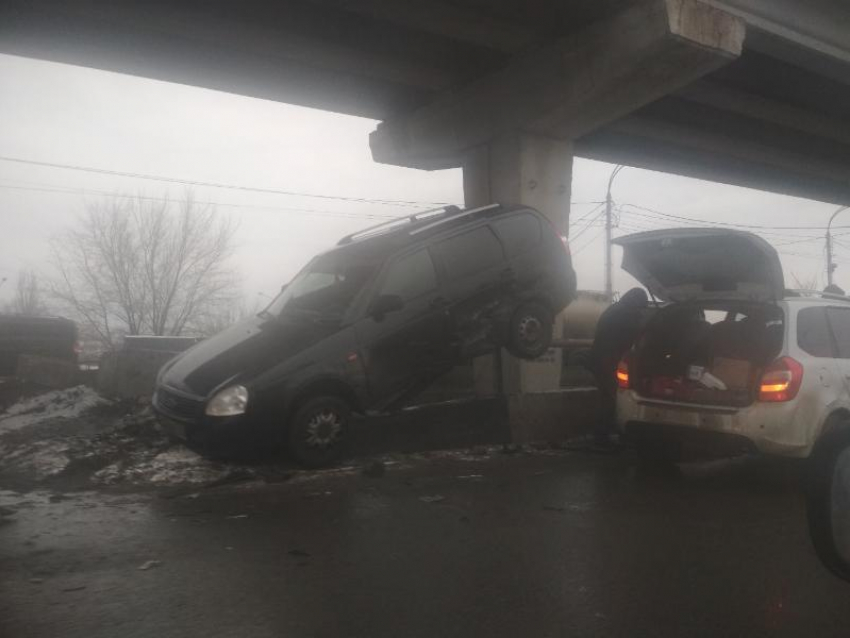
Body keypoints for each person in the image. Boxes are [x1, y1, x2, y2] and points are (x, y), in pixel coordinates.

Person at [587, 287, 648, 447]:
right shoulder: (627, 314)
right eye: (642, 306)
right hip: (608, 360)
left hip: (599, 359)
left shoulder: (616, 309)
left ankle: (603, 435)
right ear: (637, 302)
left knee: (607, 398)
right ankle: (608, 437)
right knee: (613, 398)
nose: (642, 309)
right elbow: (638, 334)